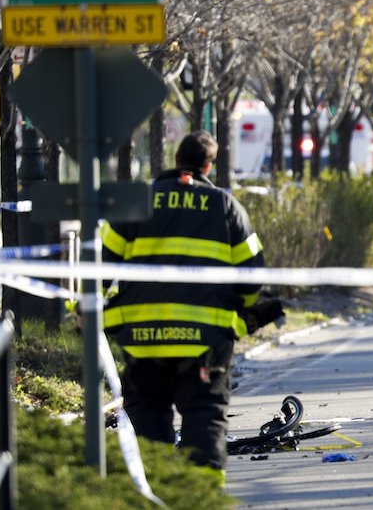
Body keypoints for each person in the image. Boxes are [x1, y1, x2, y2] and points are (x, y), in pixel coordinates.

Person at [101, 131, 268, 482]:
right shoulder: (226, 208)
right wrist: (240, 314)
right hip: (205, 343)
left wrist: (89, 310)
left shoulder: (138, 203)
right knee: (204, 416)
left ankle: (157, 495)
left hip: (143, 338)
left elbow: (101, 266)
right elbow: (253, 277)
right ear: (209, 165)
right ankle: (201, 498)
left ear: (176, 160)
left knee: (147, 414)